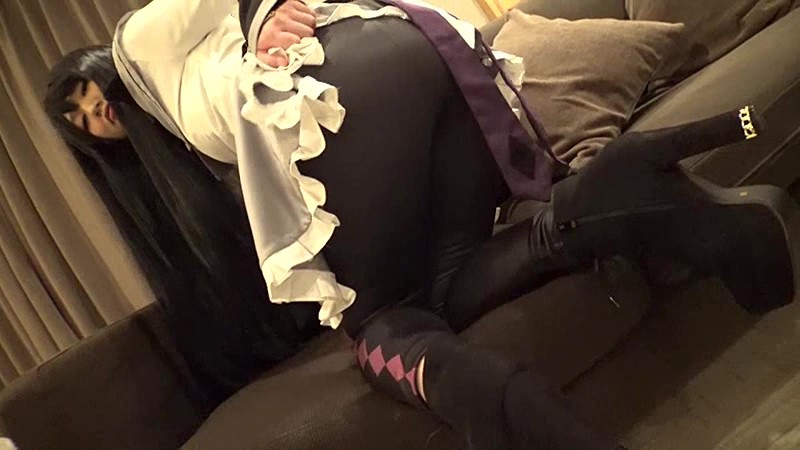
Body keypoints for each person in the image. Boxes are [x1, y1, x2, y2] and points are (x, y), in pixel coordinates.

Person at [44, 0, 798, 448]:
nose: (94, 109)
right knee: (449, 281)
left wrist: (262, 10)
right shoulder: (187, 137)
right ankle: (618, 192)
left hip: (343, 84)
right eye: (79, 120)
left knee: (385, 332)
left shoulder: (138, 44)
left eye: (85, 91)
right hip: (415, 54)